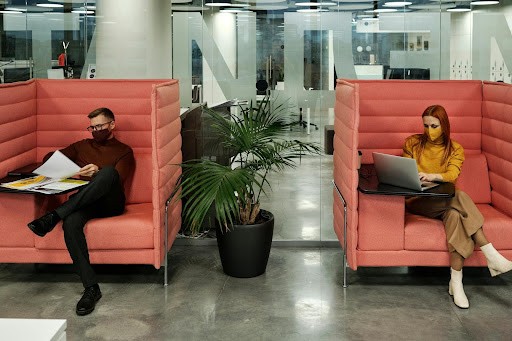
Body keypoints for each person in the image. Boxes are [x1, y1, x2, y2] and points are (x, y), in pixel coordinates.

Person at [27, 107, 135, 316]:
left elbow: (117, 180)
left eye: (100, 126)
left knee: (108, 172)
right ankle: (91, 288)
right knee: (71, 223)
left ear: (112, 124)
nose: (95, 131)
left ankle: (54, 215)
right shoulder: (81, 146)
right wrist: (75, 171)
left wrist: (96, 172)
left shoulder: (124, 151)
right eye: (92, 127)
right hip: (84, 204)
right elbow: (49, 158)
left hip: (111, 202)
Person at [402, 104, 512, 309]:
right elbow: (405, 172)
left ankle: (456, 282)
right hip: (417, 200)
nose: (429, 131)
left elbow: (452, 175)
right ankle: (491, 254)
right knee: (459, 196)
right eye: (426, 126)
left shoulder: (455, 149)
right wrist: (418, 180)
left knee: (454, 215)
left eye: (434, 126)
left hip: (444, 201)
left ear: (444, 125)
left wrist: (433, 176)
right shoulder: (412, 143)